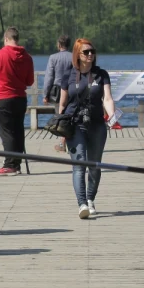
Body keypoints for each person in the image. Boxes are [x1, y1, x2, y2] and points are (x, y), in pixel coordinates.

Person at [57, 39, 116, 219]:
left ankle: (90, 199)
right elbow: (62, 103)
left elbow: (107, 98)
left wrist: (112, 116)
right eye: (86, 52)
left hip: (97, 124)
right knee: (79, 164)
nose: (90, 55)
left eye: (92, 51)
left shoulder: (101, 74)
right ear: (77, 55)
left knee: (95, 165)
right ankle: (81, 203)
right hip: (75, 125)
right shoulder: (68, 75)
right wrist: (61, 133)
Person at [0, 27, 35, 176]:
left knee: (6, 132)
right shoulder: (27, 57)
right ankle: (16, 164)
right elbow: (30, 81)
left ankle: (9, 165)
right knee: (18, 131)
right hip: (20, 98)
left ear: (6, 39)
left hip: (3, 98)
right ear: (17, 39)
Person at [44, 36, 74, 152]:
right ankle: (67, 140)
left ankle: (62, 143)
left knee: (60, 115)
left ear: (59, 45)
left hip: (57, 91)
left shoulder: (53, 58)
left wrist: (46, 94)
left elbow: (49, 77)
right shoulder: (73, 57)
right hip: (71, 89)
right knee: (70, 113)